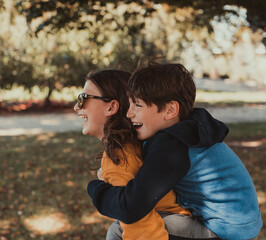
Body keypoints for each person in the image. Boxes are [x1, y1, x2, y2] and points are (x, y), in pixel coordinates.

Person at [87, 64, 263, 240]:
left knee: (118, 231)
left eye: (138, 105)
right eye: (129, 103)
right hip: (243, 224)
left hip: (226, 231)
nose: (129, 113)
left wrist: (96, 189)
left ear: (170, 110)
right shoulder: (189, 130)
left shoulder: (172, 145)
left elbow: (132, 207)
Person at [74, 69, 192, 239]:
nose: (76, 106)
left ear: (112, 107)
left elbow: (142, 228)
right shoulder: (130, 145)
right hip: (181, 223)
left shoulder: (118, 156)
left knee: (117, 231)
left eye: (83, 98)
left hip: (178, 229)